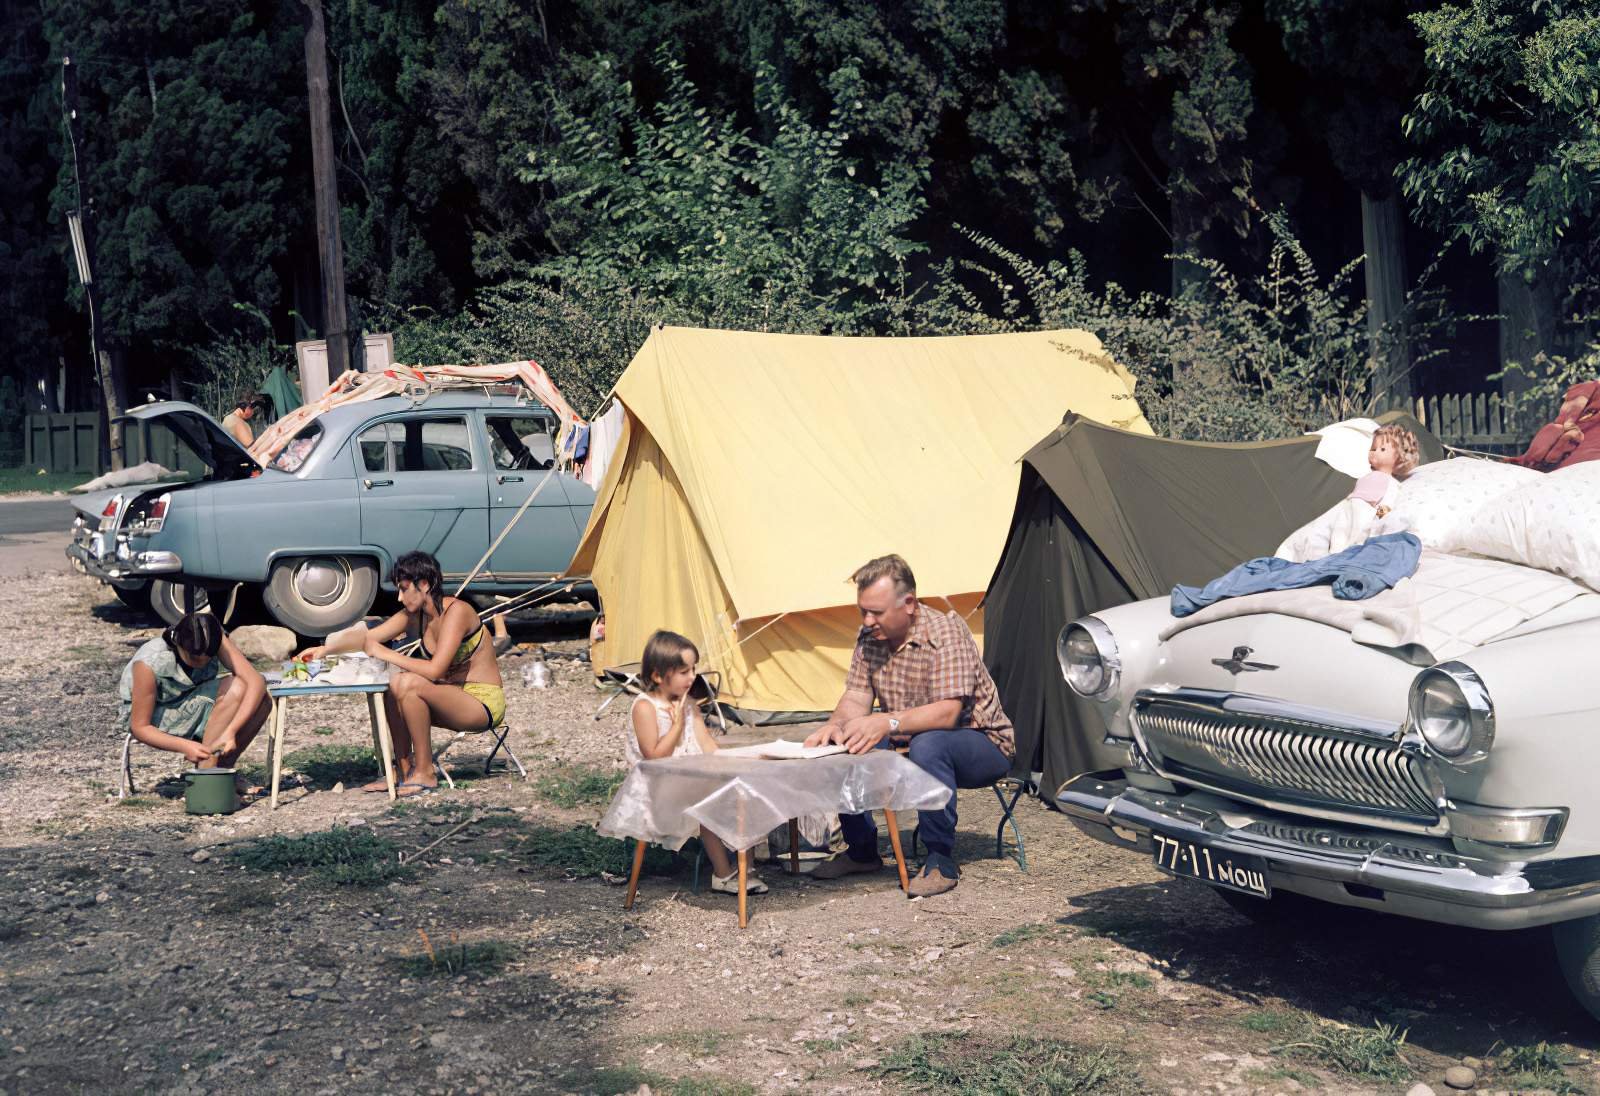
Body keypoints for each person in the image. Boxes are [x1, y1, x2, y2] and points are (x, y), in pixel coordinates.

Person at [804, 555, 1014, 897]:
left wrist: (884, 721)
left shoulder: (946, 631)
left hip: (980, 741)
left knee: (929, 745)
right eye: (863, 611)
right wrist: (835, 726)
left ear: (909, 604)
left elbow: (948, 714)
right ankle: (862, 851)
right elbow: (856, 695)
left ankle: (940, 858)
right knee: (844, 743)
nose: (868, 620)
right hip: (908, 738)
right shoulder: (870, 636)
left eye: (877, 612)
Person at [299, 551, 503, 796]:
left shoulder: (457, 612)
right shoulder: (415, 615)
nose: (399, 596)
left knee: (407, 683)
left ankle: (425, 772)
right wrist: (325, 649)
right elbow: (368, 638)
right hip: (449, 696)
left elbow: (435, 669)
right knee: (392, 688)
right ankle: (403, 770)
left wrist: (386, 655)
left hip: (481, 703)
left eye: (405, 589)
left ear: (424, 585)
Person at [628, 630, 766, 897]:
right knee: (711, 800)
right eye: (684, 671)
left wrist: (736, 762)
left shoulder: (689, 704)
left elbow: (708, 748)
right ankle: (723, 873)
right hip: (660, 784)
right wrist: (678, 724)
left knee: (741, 790)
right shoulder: (645, 707)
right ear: (658, 675)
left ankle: (745, 867)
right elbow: (654, 758)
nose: (692, 677)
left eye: (693, 669)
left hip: (692, 777)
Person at [119, 612, 271, 790]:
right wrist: (186, 746)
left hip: (190, 699)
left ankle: (222, 770)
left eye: (208, 658)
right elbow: (140, 727)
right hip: (157, 714)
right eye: (194, 658)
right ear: (179, 644)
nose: (202, 662)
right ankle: (208, 775)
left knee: (263, 701)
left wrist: (231, 731)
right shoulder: (149, 663)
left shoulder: (211, 638)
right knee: (235, 689)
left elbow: (256, 681)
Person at [1276, 423, 1419, 562]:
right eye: (1373, 448)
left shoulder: (1392, 483)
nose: (1373, 452)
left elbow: (1388, 502)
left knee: (1346, 537)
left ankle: (1336, 560)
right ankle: (1290, 553)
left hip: (1363, 512)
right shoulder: (1365, 475)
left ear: (1399, 456)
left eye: (1382, 449)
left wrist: (1380, 515)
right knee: (1319, 529)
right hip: (1347, 507)